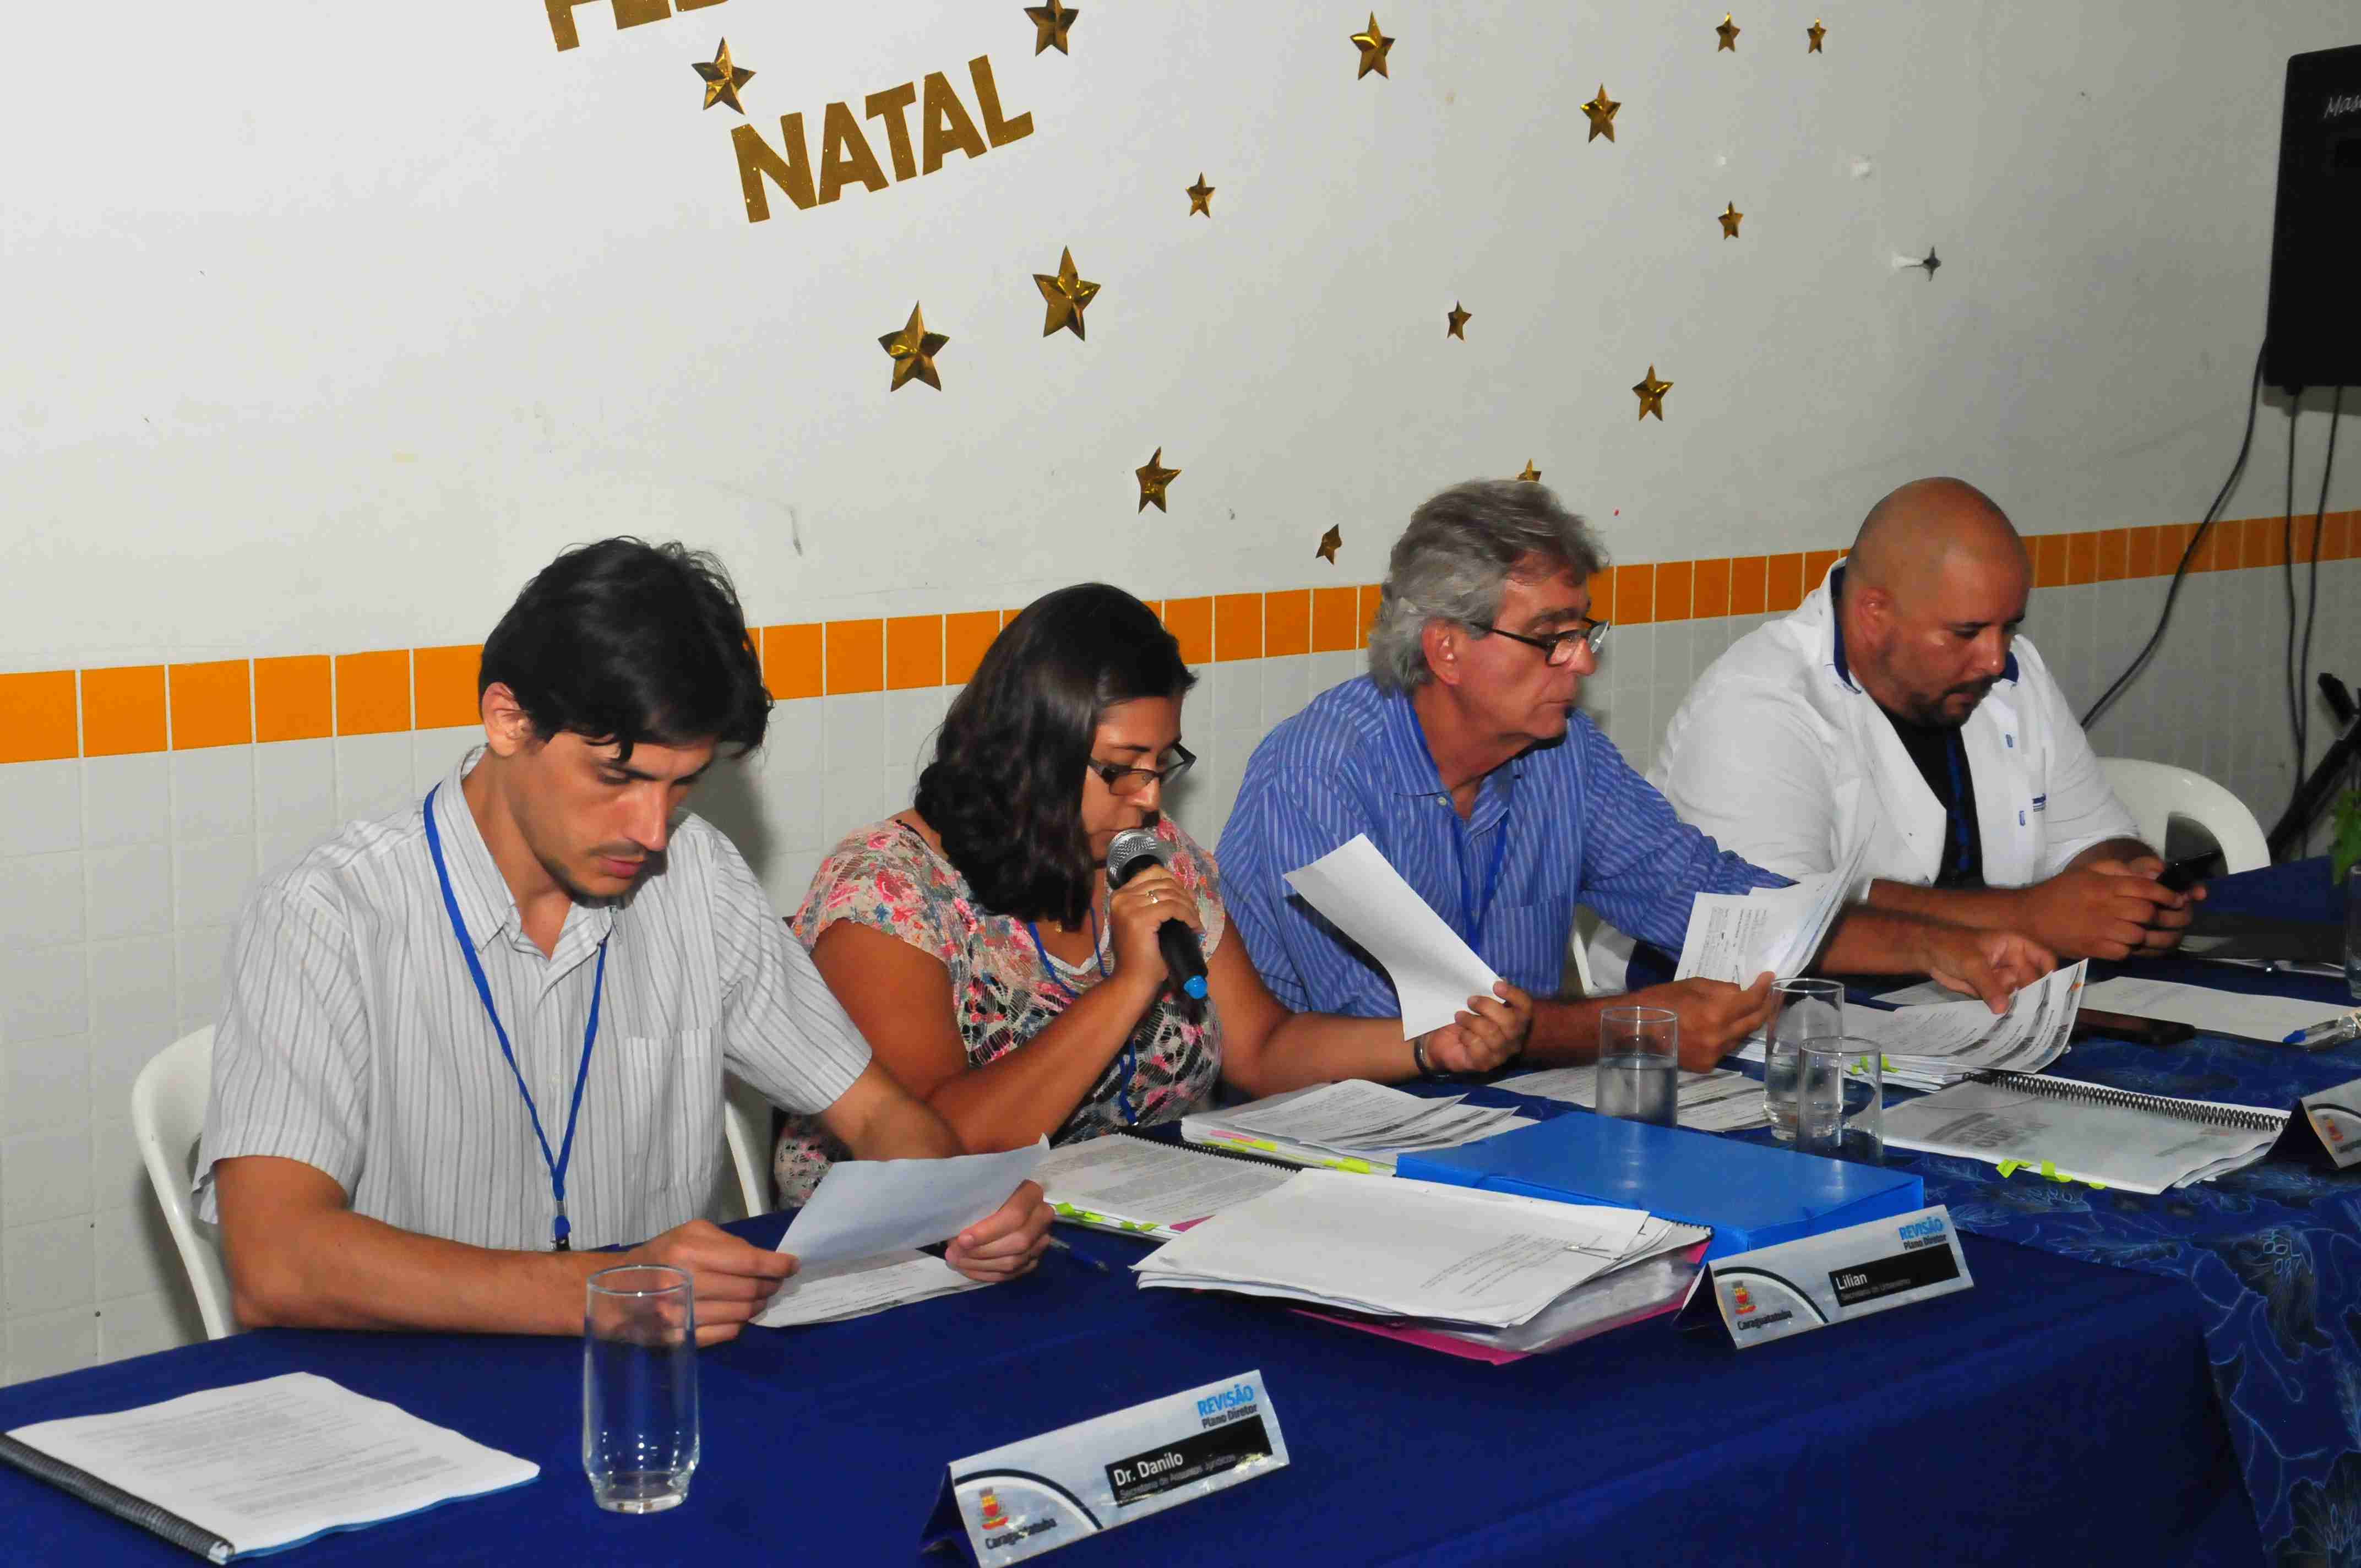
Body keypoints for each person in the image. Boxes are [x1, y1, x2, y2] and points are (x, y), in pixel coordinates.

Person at [198, 540, 1051, 1346]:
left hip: (661, 1385)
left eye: (683, 786)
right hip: (405, 1402)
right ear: (507, 720)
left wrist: (962, 1207)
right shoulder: (327, 911)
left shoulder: (698, 875)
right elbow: (276, 1261)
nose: (651, 830)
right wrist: (612, 1289)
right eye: (619, 778)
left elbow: (874, 1112)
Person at [1220, 480, 2055, 1071]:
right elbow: (1408, 1032)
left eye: (1586, 632)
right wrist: (1634, 1027)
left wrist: (1936, 947)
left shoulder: (1563, 757)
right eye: (1551, 637)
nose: (1582, 661)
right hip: (1325, 1140)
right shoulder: (1318, 776)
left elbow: (1717, 900)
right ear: (1446, 647)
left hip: (1523, 1116)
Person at [774, 584, 1532, 1201]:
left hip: (1120, 1227)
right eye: (1121, 767)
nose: (1146, 799)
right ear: (1030, 751)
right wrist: (1131, 986)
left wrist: (1428, 1045)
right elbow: (937, 1148)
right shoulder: (889, 891)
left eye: (1162, 764)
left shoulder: (1151, 856)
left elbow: (1261, 1048)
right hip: (911, 1266)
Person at [1653, 478, 2195, 961]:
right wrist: (2027, 915)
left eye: (2009, 627)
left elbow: (2091, 838)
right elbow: (1770, 925)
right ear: (1873, 614)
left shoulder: (2012, 669)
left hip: (1963, 1015)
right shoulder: (1759, 703)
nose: (1993, 657)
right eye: (1966, 632)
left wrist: (2133, 890)